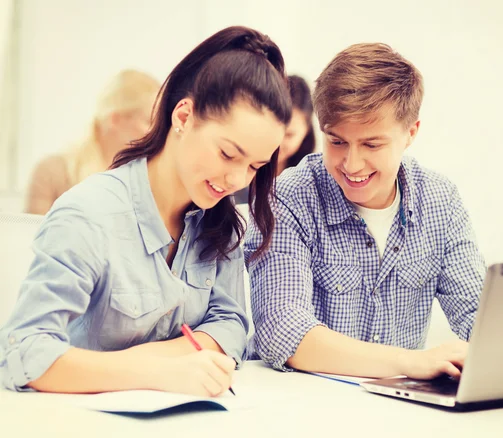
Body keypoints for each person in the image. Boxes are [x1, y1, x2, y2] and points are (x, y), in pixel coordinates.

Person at [0, 26, 292, 396]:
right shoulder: (89, 214)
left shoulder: (220, 222)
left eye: (253, 167)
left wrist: (170, 363)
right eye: (228, 154)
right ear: (183, 118)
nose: (236, 179)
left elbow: (231, 324)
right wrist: (153, 371)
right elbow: (23, 353)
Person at [245, 43, 486, 379]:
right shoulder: (289, 197)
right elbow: (282, 331)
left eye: (372, 144)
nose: (352, 164)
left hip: (398, 411)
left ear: (411, 133)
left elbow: (478, 314)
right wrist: (409, 363)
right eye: (337, 141)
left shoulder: (440, 200)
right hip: (302, 406)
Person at [24, 69, 160, 215]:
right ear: (114, 119)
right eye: (149, 121)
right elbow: (31, 235)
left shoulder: (150, 179)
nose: (157, 131)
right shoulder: (52, 172)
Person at [233, 74, 315, 204]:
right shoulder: (233, 168)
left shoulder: (311, 182)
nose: (278, 142)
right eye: (273, 129)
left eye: (289, 135)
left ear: (306, 132)